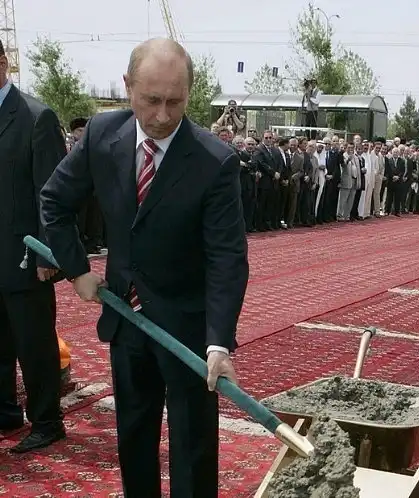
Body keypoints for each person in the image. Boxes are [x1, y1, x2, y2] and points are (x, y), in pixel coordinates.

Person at [40, 38, 249, 498]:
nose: (163, 114)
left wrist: (218, 342)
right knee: (134, 437)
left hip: (188, 329)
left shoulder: (215, 162)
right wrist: (76, 271)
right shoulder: (101, 135)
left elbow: (227, 257)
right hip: (125, 317)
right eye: (151, 99)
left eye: (175, 101)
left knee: (192, 447)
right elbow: (54, 201)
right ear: (128, 86)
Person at [0, 40, 65, 452]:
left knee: (34, 344)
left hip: (24, 258)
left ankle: (46, 421)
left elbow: (51, 194)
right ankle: (5, 411)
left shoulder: (36, 117)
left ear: (3, 62)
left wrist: (46, 253)